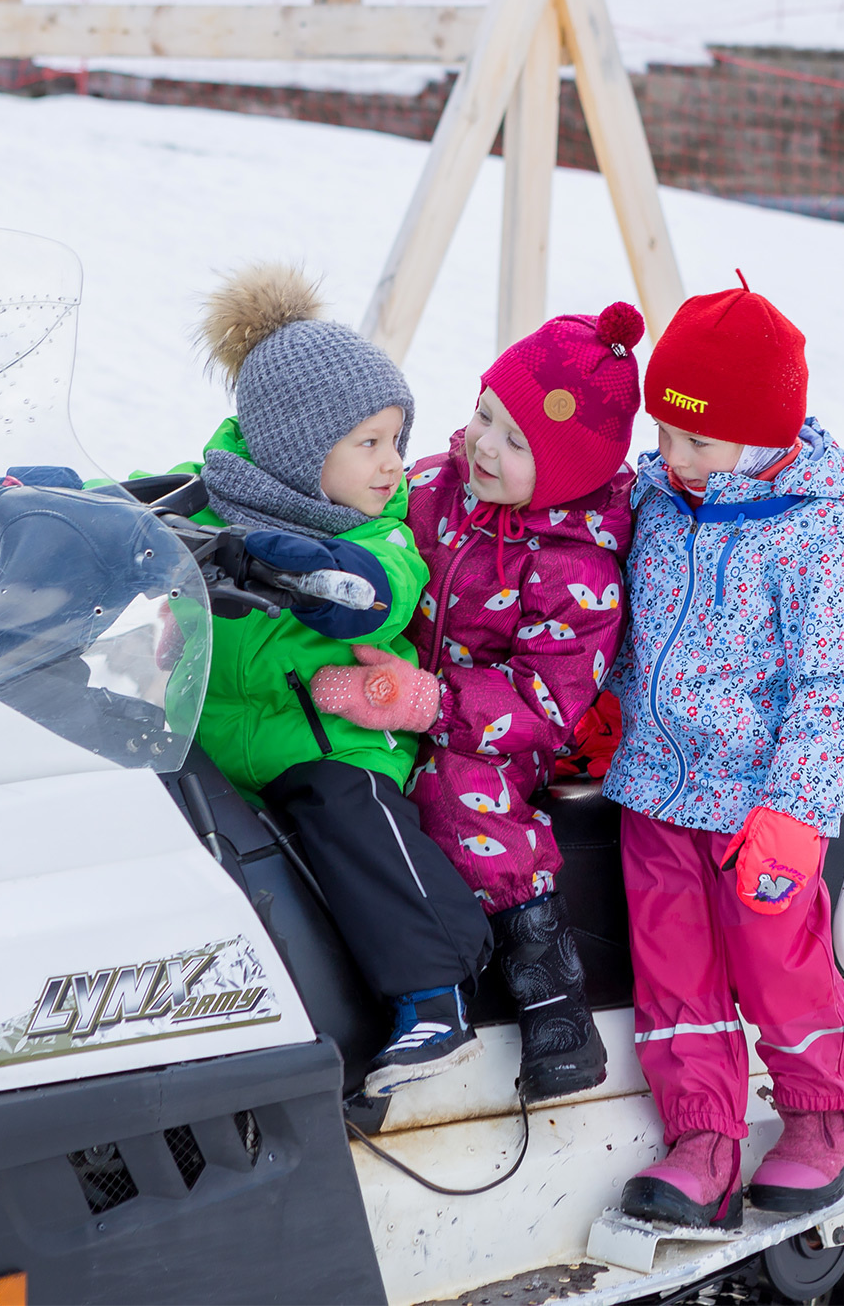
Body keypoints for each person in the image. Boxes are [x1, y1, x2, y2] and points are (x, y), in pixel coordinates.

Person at [604, 277, 844, 1226]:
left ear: (765, 433)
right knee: (671, 964)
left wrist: (796, 811)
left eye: (699, 440)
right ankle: (705, 1136)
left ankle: (822, 1115)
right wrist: (608, 708)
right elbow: (632, 631)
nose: (674, 457)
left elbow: (832, 689)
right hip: (654, 785)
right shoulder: (658, 497)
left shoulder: (822, 535)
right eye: (666, 433)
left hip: (758, 806)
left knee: (775, 957)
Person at [176, 263, 492, 1096]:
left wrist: (302, 564)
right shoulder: (221, 493)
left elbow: (373, 597)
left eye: (395, 438)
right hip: (211, 740)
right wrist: (38, 498)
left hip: (334, 742)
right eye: (370, 443)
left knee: (347, 812)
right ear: (294, 446)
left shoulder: (384, 535)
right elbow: (139, 502)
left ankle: (434, 989)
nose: (395, 464)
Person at [315, 303, 642, 1101]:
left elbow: (546, 698)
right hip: (393, 695)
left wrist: (428, 702)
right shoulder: (431, 483)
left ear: (566, 469)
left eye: (516, 441)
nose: (483, 444)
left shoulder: (578, 571)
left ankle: (552, 998)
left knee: (457, 794)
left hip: (502, 737)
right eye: (484, 414)